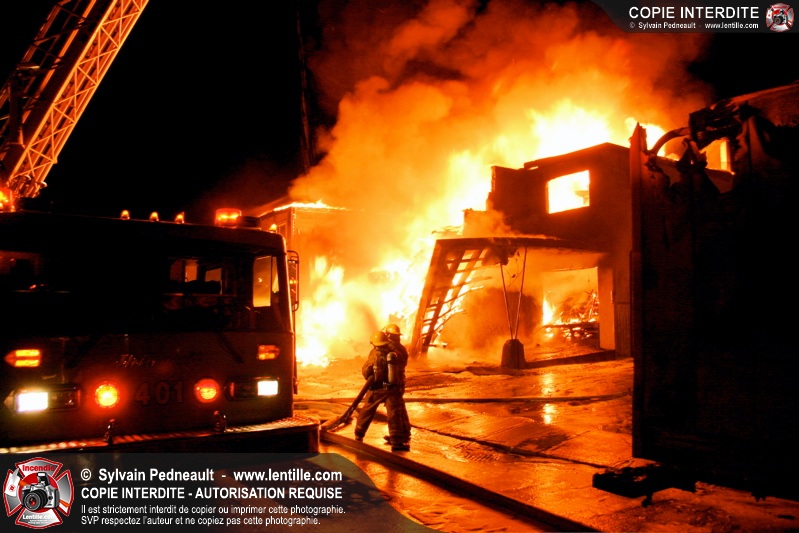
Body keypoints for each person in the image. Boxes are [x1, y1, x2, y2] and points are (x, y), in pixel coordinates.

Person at [354, 330, 411, 451]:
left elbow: (366, 370)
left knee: (367, 410)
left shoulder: (374, 353)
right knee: (395, 414)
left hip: (376, 388)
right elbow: (401, 366)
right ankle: (396, 441)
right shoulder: (395, 352)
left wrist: (370, 376)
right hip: (392, 388)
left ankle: (359, 434)